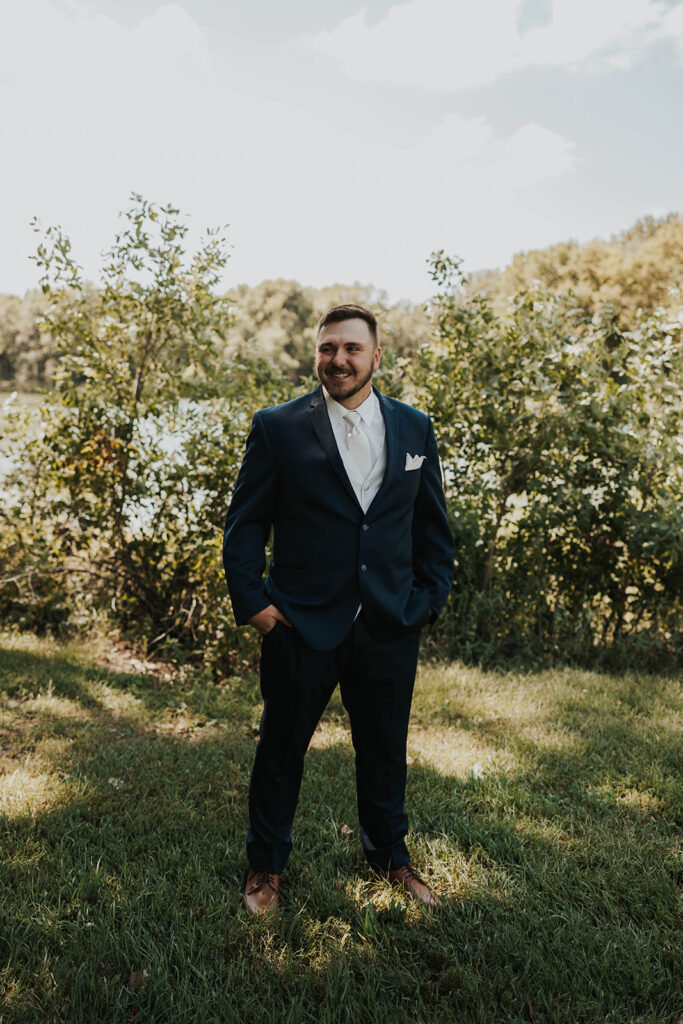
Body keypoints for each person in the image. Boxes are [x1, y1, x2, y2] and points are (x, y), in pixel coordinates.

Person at [223, 303, 454, 914]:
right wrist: (255, 604)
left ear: (377, 356)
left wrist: (427, 600)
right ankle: (265, 867)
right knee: (281, 750)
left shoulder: (414, 428)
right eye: (328, 349)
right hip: (300, 620)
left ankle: (390, 859)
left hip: (389, 622)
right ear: (316, 355)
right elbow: (244, 524)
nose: (339, 360)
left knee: (384, 750)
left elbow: (432, 525)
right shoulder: (278, 426)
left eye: (352, 348)